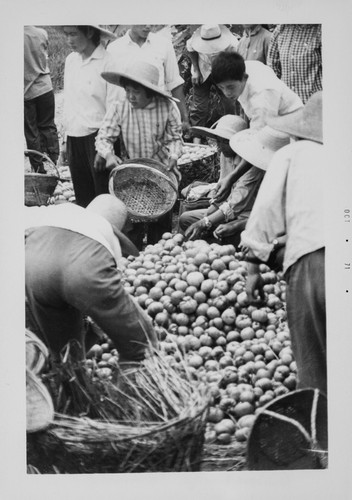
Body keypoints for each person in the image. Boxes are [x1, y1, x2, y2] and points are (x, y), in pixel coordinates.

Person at [240, 91, 326, 394]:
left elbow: (263, 216)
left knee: (314, 365)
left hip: (311, 265)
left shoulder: (292, 154)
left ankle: (322, 437)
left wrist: (253, 271)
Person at [25, 194, 158, 364]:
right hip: (83, 273)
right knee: (139, 346)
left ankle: (66, 383)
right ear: (117, 229)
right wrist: (98, 329)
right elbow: (99, 291)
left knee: (65, 351)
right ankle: (127, 387)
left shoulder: (53, 211)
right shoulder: (107, 237)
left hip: (33, 267)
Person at [94, 59, 183, 249]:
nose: (131, 97)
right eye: (128, 91)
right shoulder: (119, 107)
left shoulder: (167, 107)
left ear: (149, 92)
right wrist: (108, 155)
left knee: (160, 228)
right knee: (131, 227)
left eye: (136, 92)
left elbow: (175, 138)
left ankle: (160, 255)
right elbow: (103, 137)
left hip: (160, 174)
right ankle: (132, 257)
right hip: (131, 174)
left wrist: (174, 157)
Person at [210, 51, 303, 207]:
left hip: (291, 130)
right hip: (270, 126)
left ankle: (235, 209)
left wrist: (232, 177)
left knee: (258, 174)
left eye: (230, 87)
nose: (227, 93)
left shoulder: (262, 97)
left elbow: (260, 147)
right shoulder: (245, 68)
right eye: (221, 88)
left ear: (244, 78)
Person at [61, 25, 122, 207]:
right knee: (83, 199)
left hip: (99, 138)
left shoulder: (108, 62)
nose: (69, 40)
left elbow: (114, 106)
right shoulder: (71, 60)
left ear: (89, 33)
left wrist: (106, 149)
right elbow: (69, 101)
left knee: (104, 200)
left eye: (73, 34)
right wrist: (65, 141)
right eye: (67, 35)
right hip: (75, 137)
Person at [106, 25, 190, 132]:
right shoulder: (114, 49)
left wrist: (184, 118)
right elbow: (111, 91)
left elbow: (174, 82)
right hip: (127, 121)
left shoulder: (163, 45)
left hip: (158, 118)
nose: (148, 26)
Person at [185, 24, 239, 143]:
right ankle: (197, 141)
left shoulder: (231, 43)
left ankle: (230, 137)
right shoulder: (194, 40)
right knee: (199, 107)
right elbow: (191, 49)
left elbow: (235, 61)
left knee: (229, 103)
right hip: (202, 70)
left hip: (223, 71)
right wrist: (196, 71)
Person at [24, 26, 60, 173]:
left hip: (26, 91)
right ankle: (53, 160)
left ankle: (39, 168)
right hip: (45, 86)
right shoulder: (41, 33)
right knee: (48, 125)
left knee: (32, 131)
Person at [268, 24, 322, 104]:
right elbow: (272, 69)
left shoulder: (319, 30)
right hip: (287, 106)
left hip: (312, 104)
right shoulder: (280, 29)